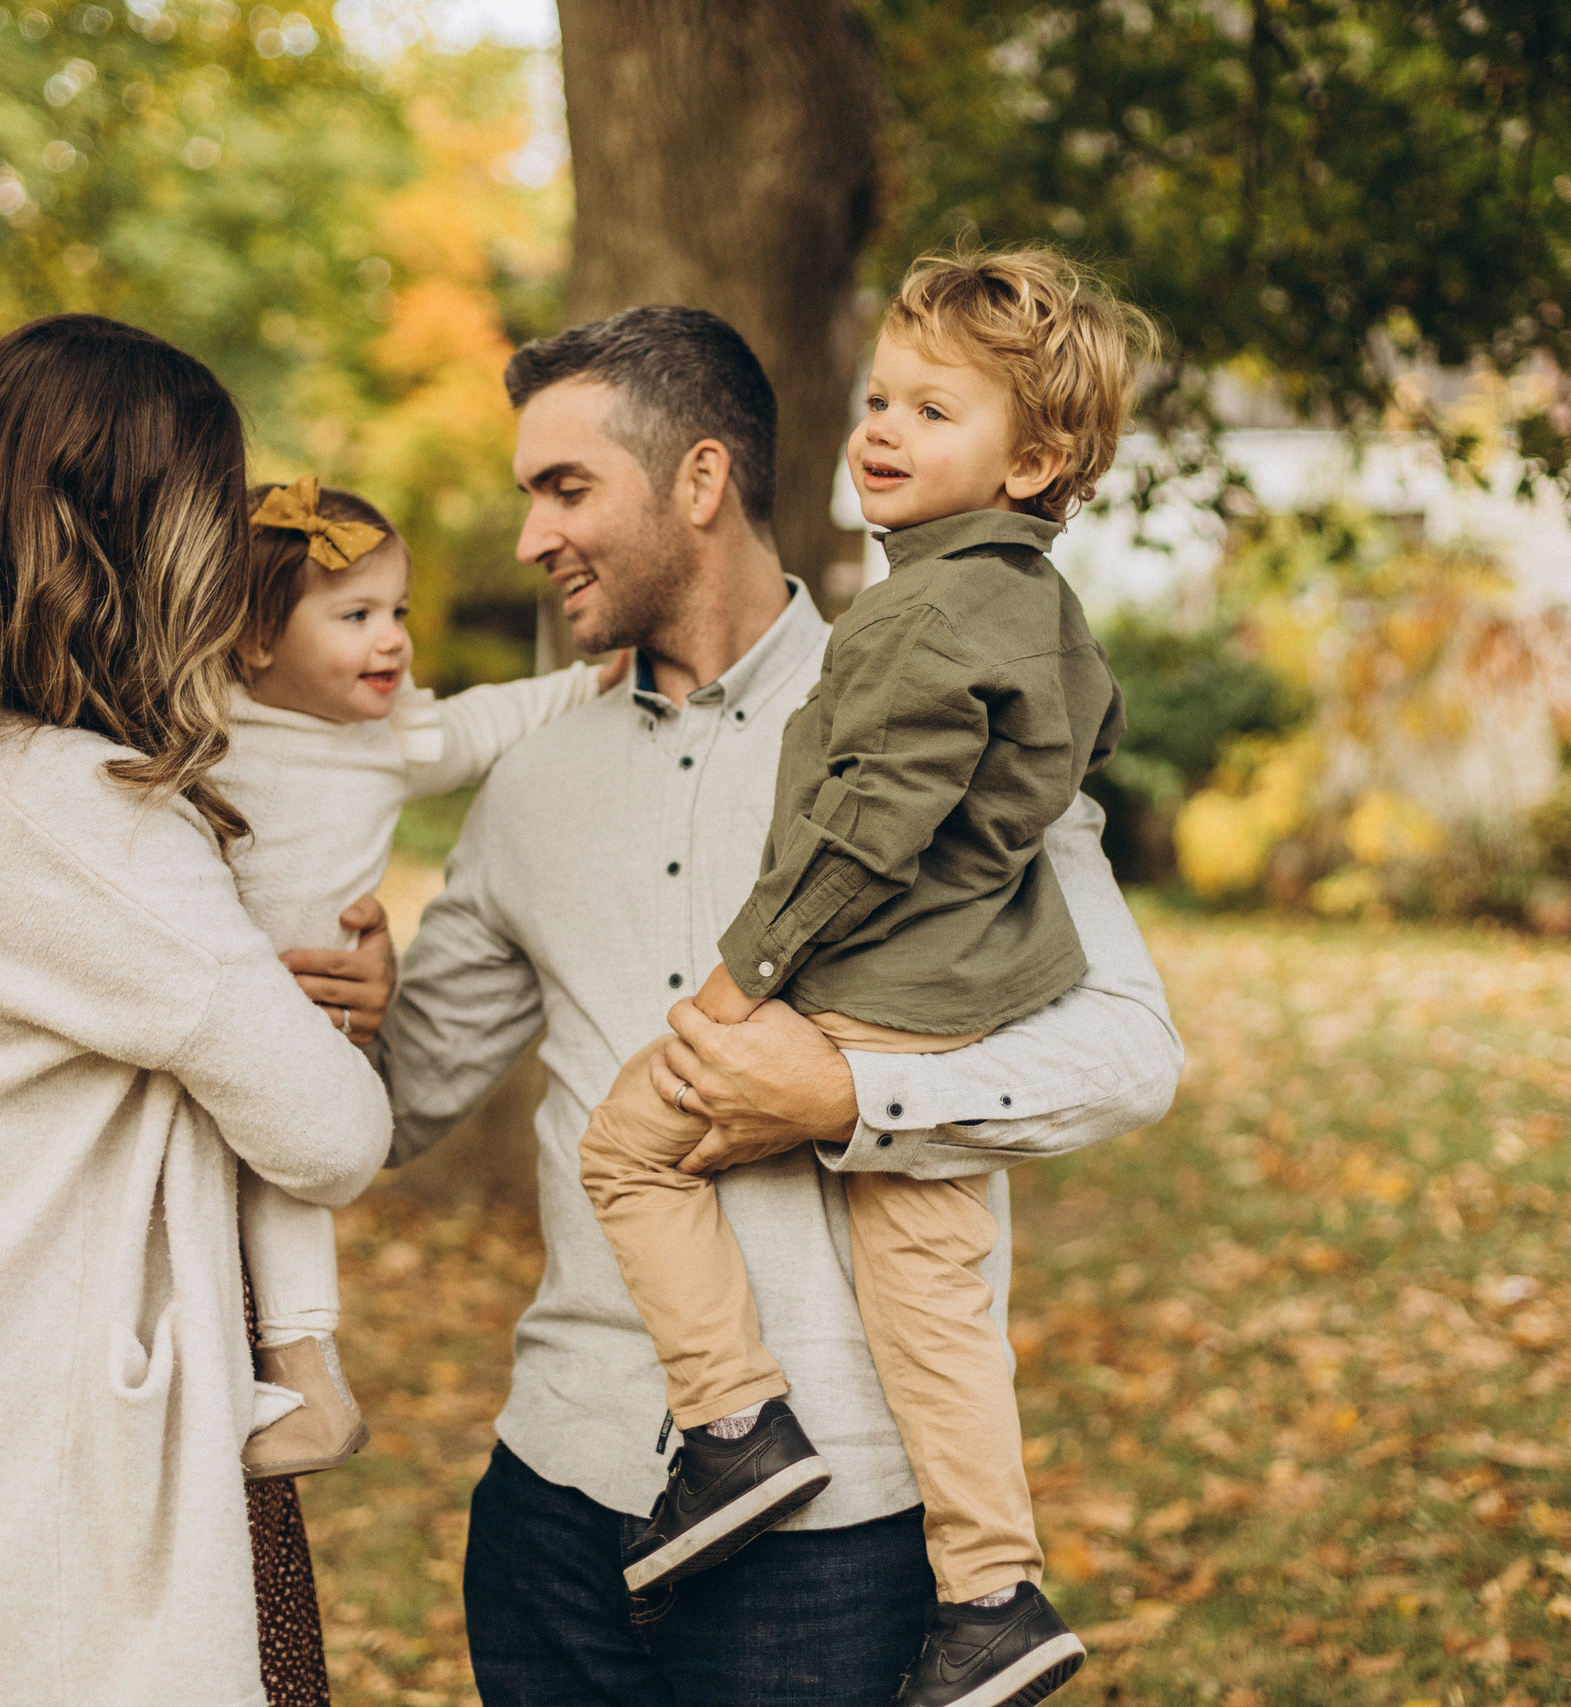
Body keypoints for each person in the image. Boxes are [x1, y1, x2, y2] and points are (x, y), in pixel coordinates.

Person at [374, 303, 1185, 1705]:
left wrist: (855, 1101)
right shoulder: (532, 783)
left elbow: (1130, 1051)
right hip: (553, 1508)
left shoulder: (941, 699)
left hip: (836, 1545)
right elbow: (392, 1104)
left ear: (700, 480)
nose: (529, 537)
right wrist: (297, 982)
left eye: (566, 489)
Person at [572, 250, 1151, 1706]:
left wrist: (741, 978)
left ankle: (734, 1424)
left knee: (629, 1148)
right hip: (963, 999)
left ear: (1037, 457)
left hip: (857, 990)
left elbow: (860, 825)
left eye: (933, 410)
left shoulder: (913, 618)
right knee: (937, 1306)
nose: (881, 427)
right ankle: (994, 1594)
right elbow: (1086, 737)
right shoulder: (1042, 609)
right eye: (880, 396)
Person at [0, 314, 393, 1707]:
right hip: (85, 1497)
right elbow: (329, 1136)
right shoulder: (85, 815)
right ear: (139, 544)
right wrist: (336, 1011)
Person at [213, 473, 619, 1479]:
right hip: (211, 1006)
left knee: (282, 1185)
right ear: (257, 637)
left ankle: (308, 1382)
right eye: (355, 615)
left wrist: (600, 680)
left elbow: (495, 722)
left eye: (394, 611)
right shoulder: (198, 722)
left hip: (310, 1026)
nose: (391, 638)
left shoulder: (387, 741)